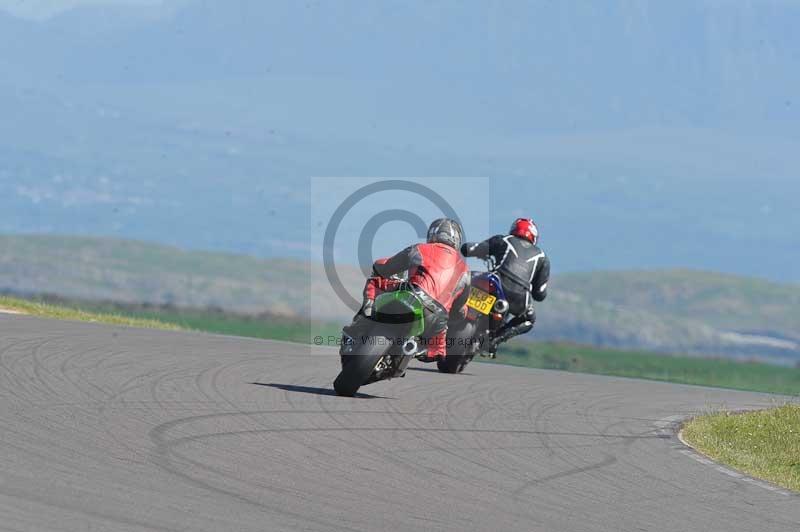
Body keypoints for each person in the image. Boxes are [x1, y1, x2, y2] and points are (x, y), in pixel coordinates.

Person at [343, 218, 470, 362]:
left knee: (375, 281)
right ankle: (428, 350)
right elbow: (460, 308)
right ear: (457, 240)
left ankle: (365, 314)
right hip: (437, 319)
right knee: (437, 349)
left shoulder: (420, 249)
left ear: (433, 234)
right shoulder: (465, 270)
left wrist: (380, 269)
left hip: (412, 295)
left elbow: (386, 266)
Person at [461, 218, 550, 356]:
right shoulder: (542, 257)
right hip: (518, 297)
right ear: (534, 236)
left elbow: (470, 249)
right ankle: (495, 340)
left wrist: (474, 250)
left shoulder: (503, 240)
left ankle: (450, 321)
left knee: (464, 285)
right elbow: (540, 294)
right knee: (529, 319)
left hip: (495, 285)